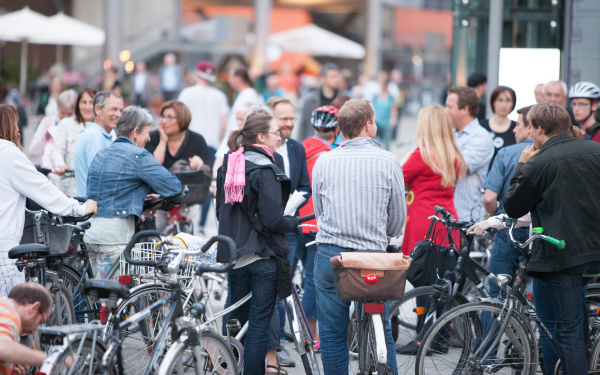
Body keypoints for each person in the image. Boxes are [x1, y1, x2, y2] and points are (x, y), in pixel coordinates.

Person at [503, 102, 600, 375]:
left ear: (540, 128)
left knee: (567, 331)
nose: (529, 135)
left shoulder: (539, 163)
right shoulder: (596, 150)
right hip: (594, 250)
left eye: (531, 128)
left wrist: (521, 165)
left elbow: (512, 207)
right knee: (577, 325)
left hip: (563, 254)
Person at [312, 99, 406, 374]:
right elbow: (398, 217)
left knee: (331, 333)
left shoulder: (323, 161)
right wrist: (386, 234)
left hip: (332, 254)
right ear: (368, 125)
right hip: (372, 258)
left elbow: (320, 212)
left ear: (341, 129)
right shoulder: (389, 160)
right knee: (382, 324)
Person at [215, 110, 299, 375]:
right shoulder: (265, 169)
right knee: (259, 325)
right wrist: (295, 221)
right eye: (276, 132)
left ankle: (229, 369)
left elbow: (221, 213)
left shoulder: (229, 163)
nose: (280, 137)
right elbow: (274, 220)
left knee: (236, 322)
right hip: (263, 256)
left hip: (235, 253)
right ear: (262, 136)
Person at [0, 105, 96, 295]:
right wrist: (78, 208)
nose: (19, 130)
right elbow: (44, 190)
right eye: (16, 124)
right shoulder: (10, 155)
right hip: (4, 249)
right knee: (9, 315)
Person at [86, 106, 181, 280]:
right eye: (147, 132)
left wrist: (137, 201)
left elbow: (110, 192)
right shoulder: (138, 156)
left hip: (90, 234)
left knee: (95, 298)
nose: (149, 137)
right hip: (114, 237)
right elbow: (174, 186)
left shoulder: (101, 154)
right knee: (113, 302)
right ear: (136, 131)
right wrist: (157, 198)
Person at [265, 96, 312, 368]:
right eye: (284, 118)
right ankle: (271, 346)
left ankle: (279, 346)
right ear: (270, 119)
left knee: (284, 286)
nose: (290, 123)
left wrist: (293, 205)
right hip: (265, 229)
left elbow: (305, 185)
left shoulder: (296, 148)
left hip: (290, 229)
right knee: (268, 286)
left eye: (292, 118)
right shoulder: (261, 149)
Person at [298, 105, 340, 354]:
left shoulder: (300, 148)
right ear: (335, 129)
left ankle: (305, 331)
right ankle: (311, 335)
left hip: (297, 219)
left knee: (305, 278)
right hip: (317, 222)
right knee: (315, 281)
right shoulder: (330, 154)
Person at [399, 104, 466, 256]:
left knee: (420, 271)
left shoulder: (422, 155)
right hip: (447, 220)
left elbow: (397, 179)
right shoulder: (452, 156)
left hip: (423, 220)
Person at [145, 100, 212, 235]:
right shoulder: (153, 138)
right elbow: (152, 166)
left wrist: (200, 163)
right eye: (163, 116)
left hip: (187, 202)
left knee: (184, 243)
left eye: (170, 117)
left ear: (182, 119)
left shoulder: (196, 140)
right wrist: (163, 140)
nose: (164, 121)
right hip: (159, 202)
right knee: (157, 243)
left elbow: (208, 170)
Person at [445, 86, 494, 222]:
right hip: (444, 216)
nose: (445, 111)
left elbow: (458, 167)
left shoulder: (481, 137)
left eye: (450, 107)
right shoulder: (448, 133)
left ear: (465, 109)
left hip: (466, 219)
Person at [74, 91, 124, 197]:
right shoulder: (94, 136)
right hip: (96, 210)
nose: (118, 114)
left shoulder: (105, 135)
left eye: (121, 110)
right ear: (97, 109)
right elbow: (101, 180)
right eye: (114, 109)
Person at [51, 87, 97, 197]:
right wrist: (59, 164)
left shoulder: (104, 129)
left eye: (91, 102)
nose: (87, 107)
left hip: (94, 192)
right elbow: (57, 149)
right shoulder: (66, 124)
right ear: (78, 105)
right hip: (69, 192)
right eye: (84, 102)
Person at [0, 283, 53, 375]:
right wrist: (49, 359)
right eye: (39, 322)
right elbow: (2, 348)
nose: (32, 332)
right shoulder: (9, 315)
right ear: (34, 307)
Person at [28, 89, 77, 170]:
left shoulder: (78, 125)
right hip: (49, 170)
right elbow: (32, 152)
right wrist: (45, 138)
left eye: (69, 114)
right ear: (58, 109)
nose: (65, 117)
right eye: (63, 113)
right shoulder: (47, 122)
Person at [298, 63, 341, 142]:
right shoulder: (310, 100)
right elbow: (303, 127)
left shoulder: (342, 99)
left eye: (337, 76)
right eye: (332, 77)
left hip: (337, 144)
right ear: (323, 78)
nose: (336, 80)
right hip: (314, 144)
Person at [480, 86, 517, 167]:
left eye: (508, 101)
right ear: (493, 102)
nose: (504, 105)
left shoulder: (517, 128)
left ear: (513, 104)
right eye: (500, 100)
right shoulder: (481, 126)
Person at [226, 67, 263, 134]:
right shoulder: (245, 93)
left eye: (231, 77)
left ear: (238, 78)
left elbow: (249, 121)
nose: (229, 80)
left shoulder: (249, 94)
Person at [372, 72, 398, 150]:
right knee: (376, 143)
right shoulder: (375, 96)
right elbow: (373, 108)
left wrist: (393, 120)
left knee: (387, 145)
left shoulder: (390, 97)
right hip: (377, 122)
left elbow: (394, 110)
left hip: (387, 123)